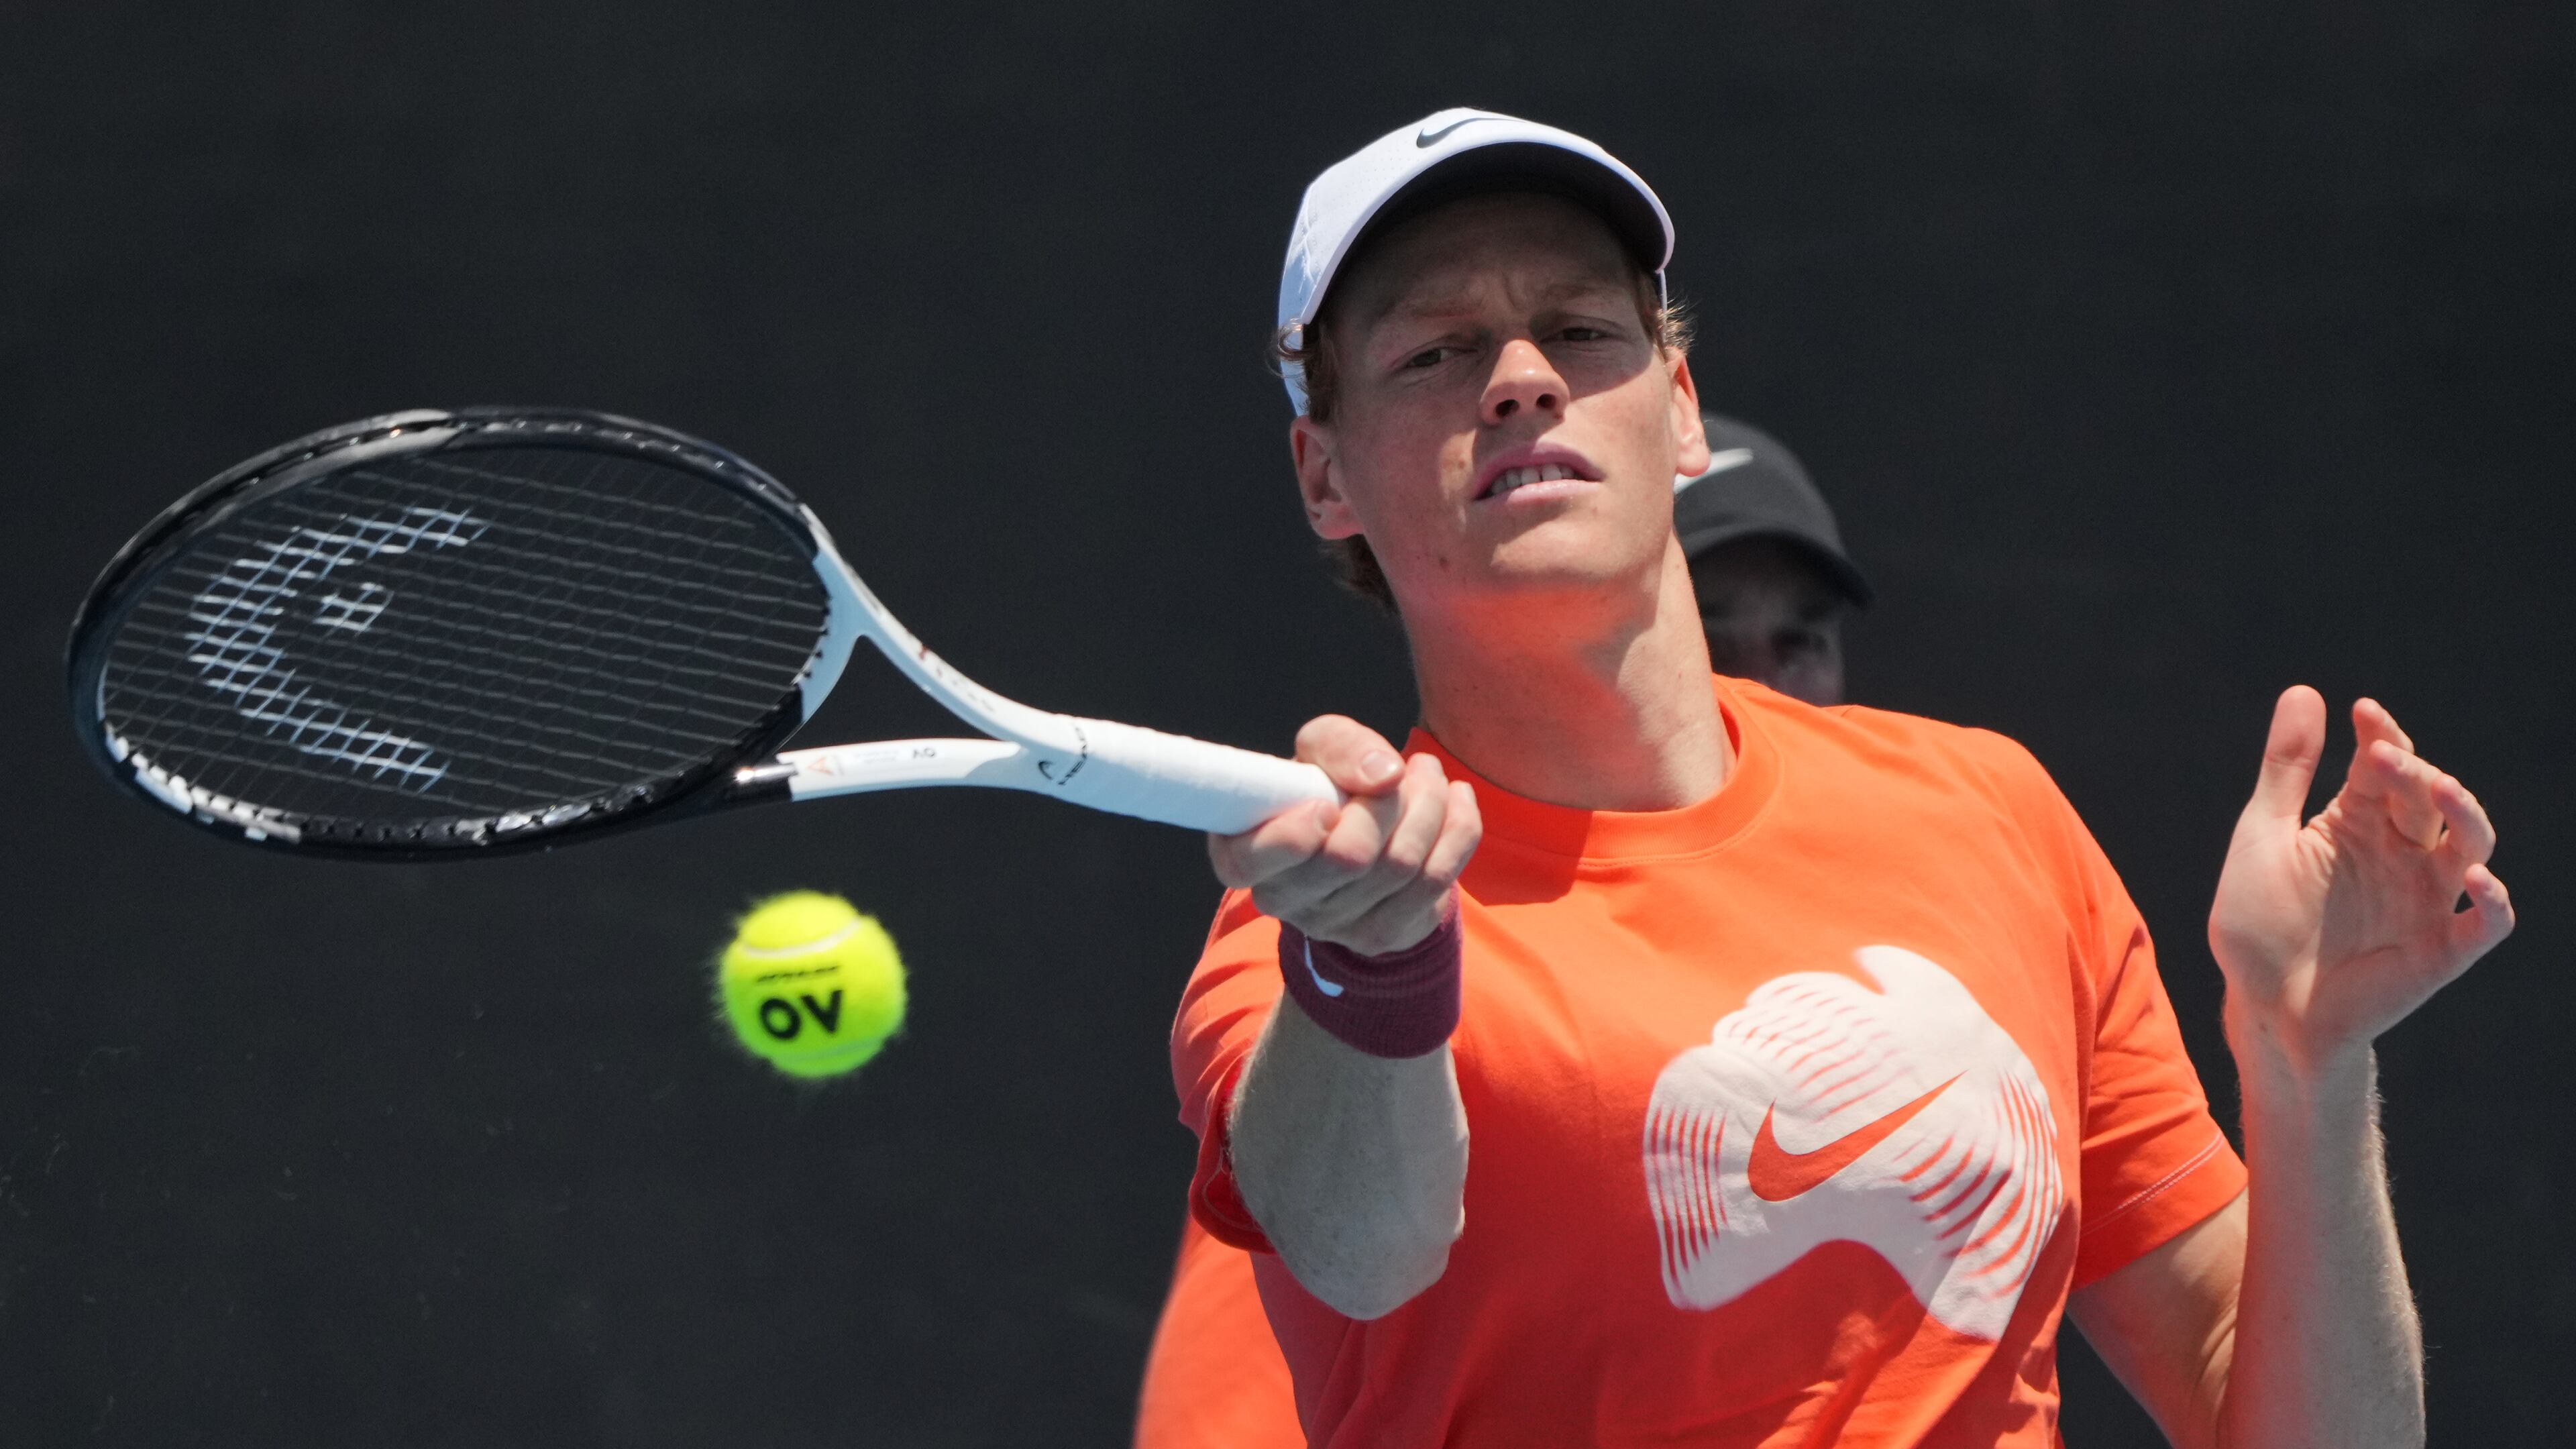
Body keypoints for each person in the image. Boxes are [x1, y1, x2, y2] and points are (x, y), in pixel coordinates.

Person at [1168, 109, 2514, 1447]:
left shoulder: (1992, 809)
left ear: (1682, 412)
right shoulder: (1325, 928)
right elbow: (1357, 1251)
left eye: (1581, 330)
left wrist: (2306, 1065)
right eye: (1436, 351)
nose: (1521, 377)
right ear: (1323, 474)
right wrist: (1379, 966)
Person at [1135, 417, 1873, 1448]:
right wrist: (1377, 976)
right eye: (1708, 624)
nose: (1757, 680)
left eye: (1801, 639)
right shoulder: (1351, 1013)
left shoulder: (1924, 931)